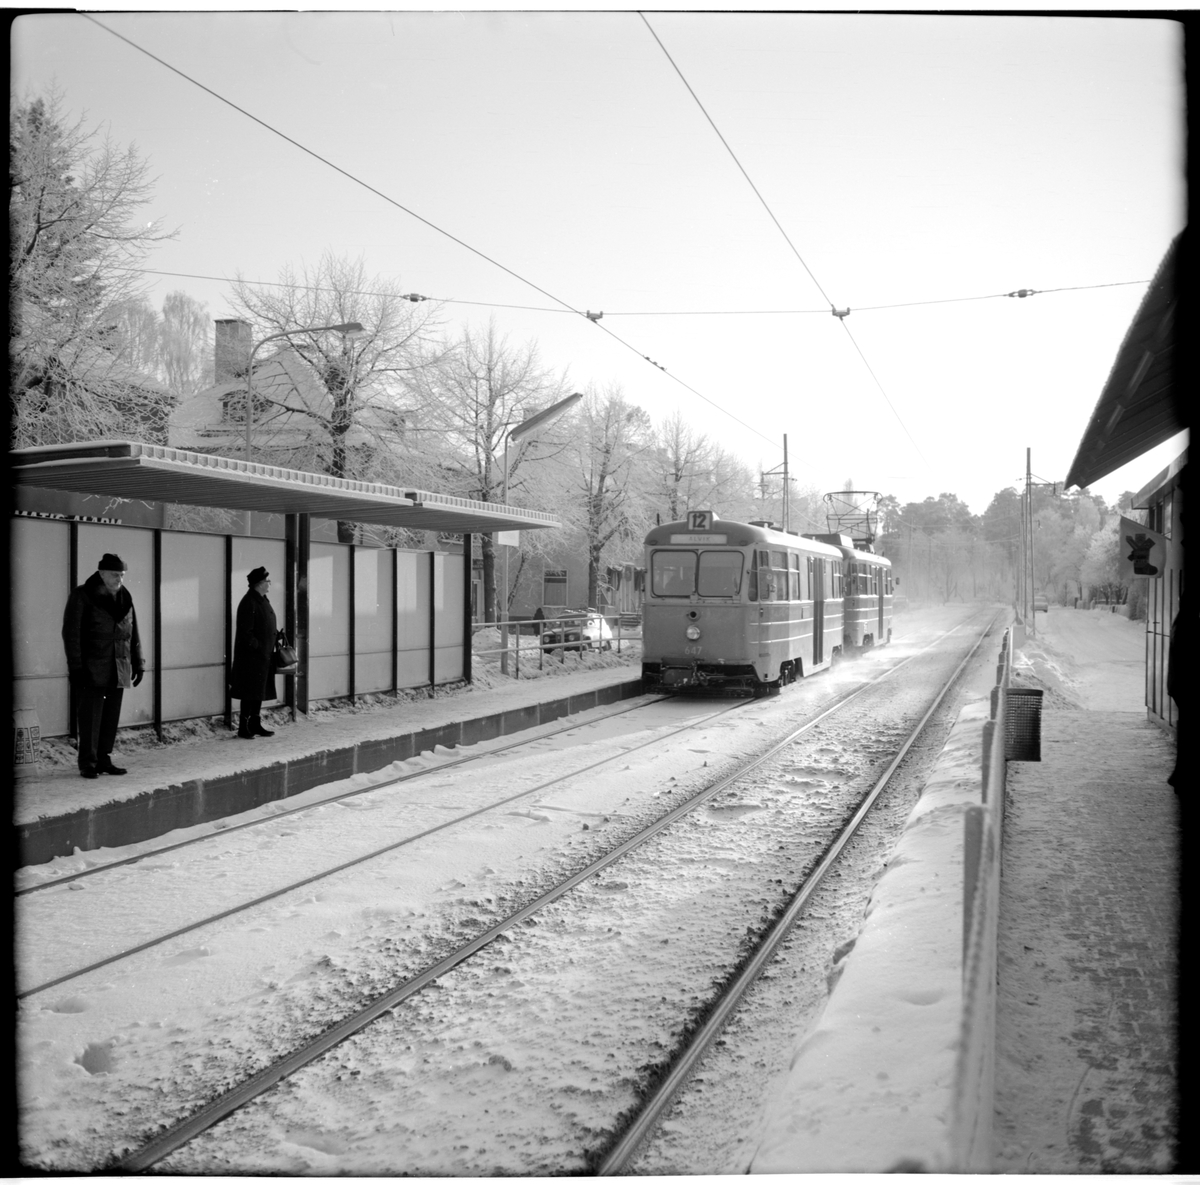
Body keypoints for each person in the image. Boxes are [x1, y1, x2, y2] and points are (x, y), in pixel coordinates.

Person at [62, 553, 144, 779]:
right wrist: (76, 667)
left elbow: (132, 632)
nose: (119, 579)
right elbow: (72, 634)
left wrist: (138, 662)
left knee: (110, 716)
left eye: (122, 575)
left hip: (119, 665)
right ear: (101, 574)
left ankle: (104, 759)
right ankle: (87, 763)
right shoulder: (82, 595)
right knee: (90, 716)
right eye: (115, 574)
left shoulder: (125, 596)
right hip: (91, 667)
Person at [230, 566, 278, 739]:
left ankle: (255, 724)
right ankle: (244, 727)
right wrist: (258, 646)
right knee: (249, 692)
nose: (269, 585)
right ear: (259, 584)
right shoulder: (249, 602)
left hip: (262, 656)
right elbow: (246, 632)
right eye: (267, 582)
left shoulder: (260, 599)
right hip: (252, 658)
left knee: (257, 691)